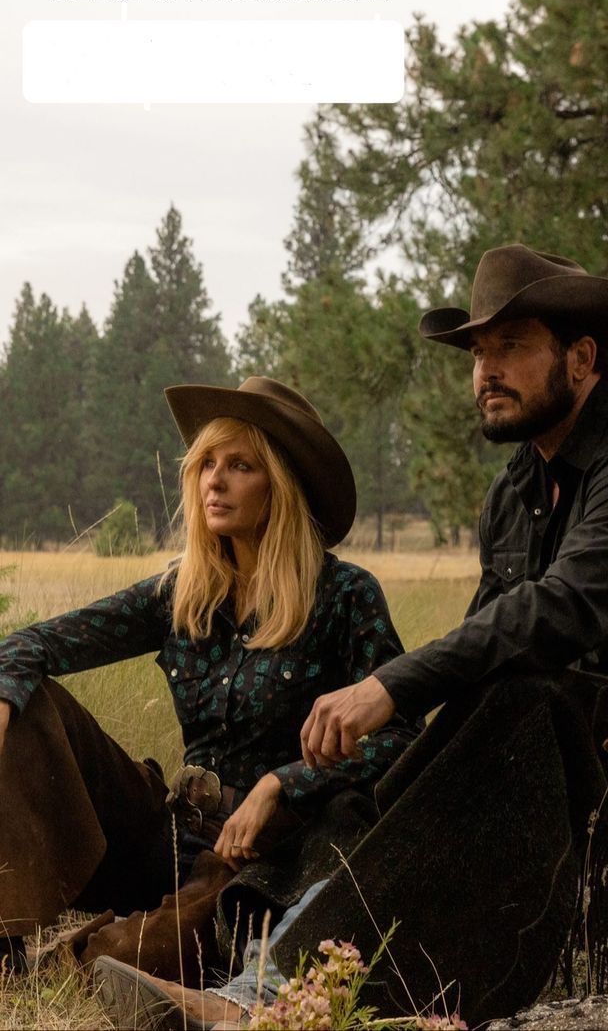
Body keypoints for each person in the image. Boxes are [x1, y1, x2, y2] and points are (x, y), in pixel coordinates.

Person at [95, 246, 608, 1030]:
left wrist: (391, 685)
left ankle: (264, 1001)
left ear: (582, 357)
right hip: (574, 745)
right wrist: (393, 764)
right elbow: (486, 644)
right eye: (476, 353)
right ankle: (241, 961)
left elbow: (560, 613)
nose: (485, 371)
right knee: (386, 783)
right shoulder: (516, 491)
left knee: (517, 702)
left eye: (510, 348)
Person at [0, 376, 418, 985]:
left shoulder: (345, 595)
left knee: (128, 962)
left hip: (253, 857)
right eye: (205, 465)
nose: (213, 482)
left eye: (240, 465)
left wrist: (284, 782)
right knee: (26, 696)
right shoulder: (182, 590)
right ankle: (8, 940)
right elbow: (32, 643)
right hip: (164, 828)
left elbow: (401, 734)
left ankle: (94, 949)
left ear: (281, 485)